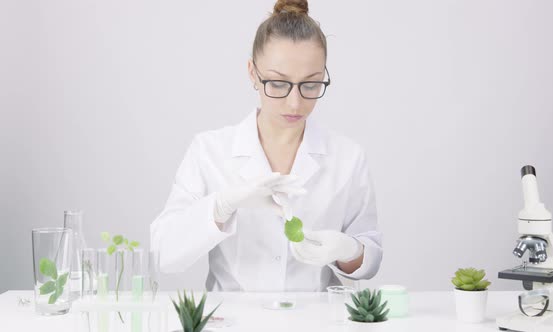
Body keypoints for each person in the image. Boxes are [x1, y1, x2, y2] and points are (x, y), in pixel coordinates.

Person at [150, 0, 382, 292]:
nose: (295, 103)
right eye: (278, 83)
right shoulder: (209, 151)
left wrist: (348, 250)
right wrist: (220, 207)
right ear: (252, 73)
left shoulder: (347, 157)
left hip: (315, 320)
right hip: (233, 321)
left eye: (310, 84)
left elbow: (369, 262)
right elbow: (165, 255)